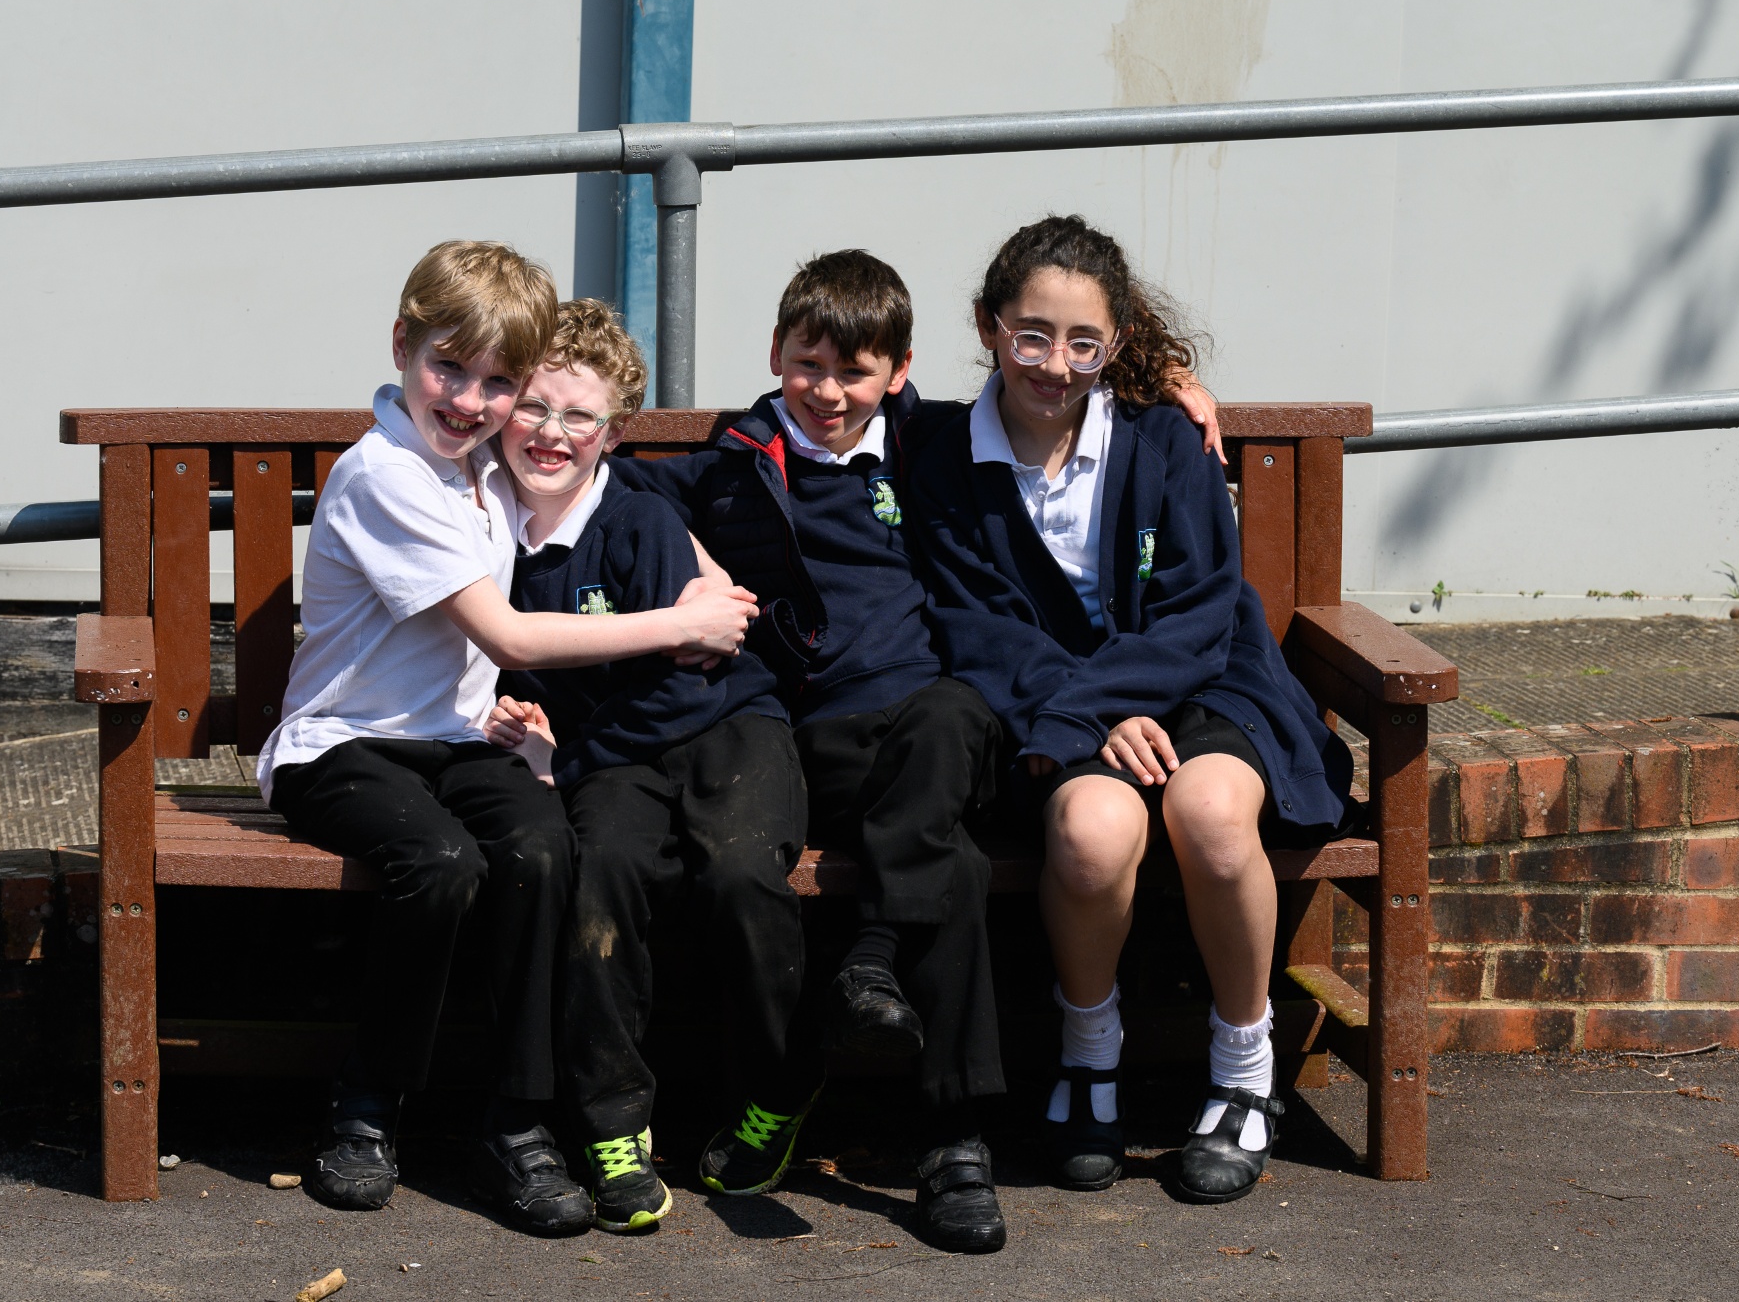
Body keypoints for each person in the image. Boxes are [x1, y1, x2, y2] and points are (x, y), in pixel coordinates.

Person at [255, 241, 758, 1236]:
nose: (469, 399)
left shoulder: (479, 458)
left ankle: (515, 1122)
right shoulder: (387, 473)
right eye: (449, 368)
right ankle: (366, 1106)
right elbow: (514, 637)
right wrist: (677, 621)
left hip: (456, 741)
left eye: (497, 383)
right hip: (339, 747)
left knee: (542, 847)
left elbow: (611, 483)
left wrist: (708, 580)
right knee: (442, 862)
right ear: (401, 344)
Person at [905, 214, 1357, 1206]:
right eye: (1031, 336)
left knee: (1210, 813)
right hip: (1054, 703)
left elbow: (1200, 606)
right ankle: (1089, 1055)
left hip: (1204, 678)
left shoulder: (1162, 437)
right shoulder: (944, 460)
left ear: (1114, 344)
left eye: (1083, 343)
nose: (1054, 365)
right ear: (987, 327)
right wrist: (1091, 717)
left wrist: (1109, 702)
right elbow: (973, 625)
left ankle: (1243, 1068)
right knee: (1090, 831)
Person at [480, 299, 809, 1235]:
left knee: (740, 871)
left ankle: (778, 1085)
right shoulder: (482, 528)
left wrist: (569, 752)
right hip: (616, 759)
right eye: (534, 405)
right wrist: (511, 714)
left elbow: (683, 680)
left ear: (614, 433)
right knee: (601, 878)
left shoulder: (638, 520)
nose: (551, 433)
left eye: (579, 416)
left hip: (724, 729)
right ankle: (612, 1125)